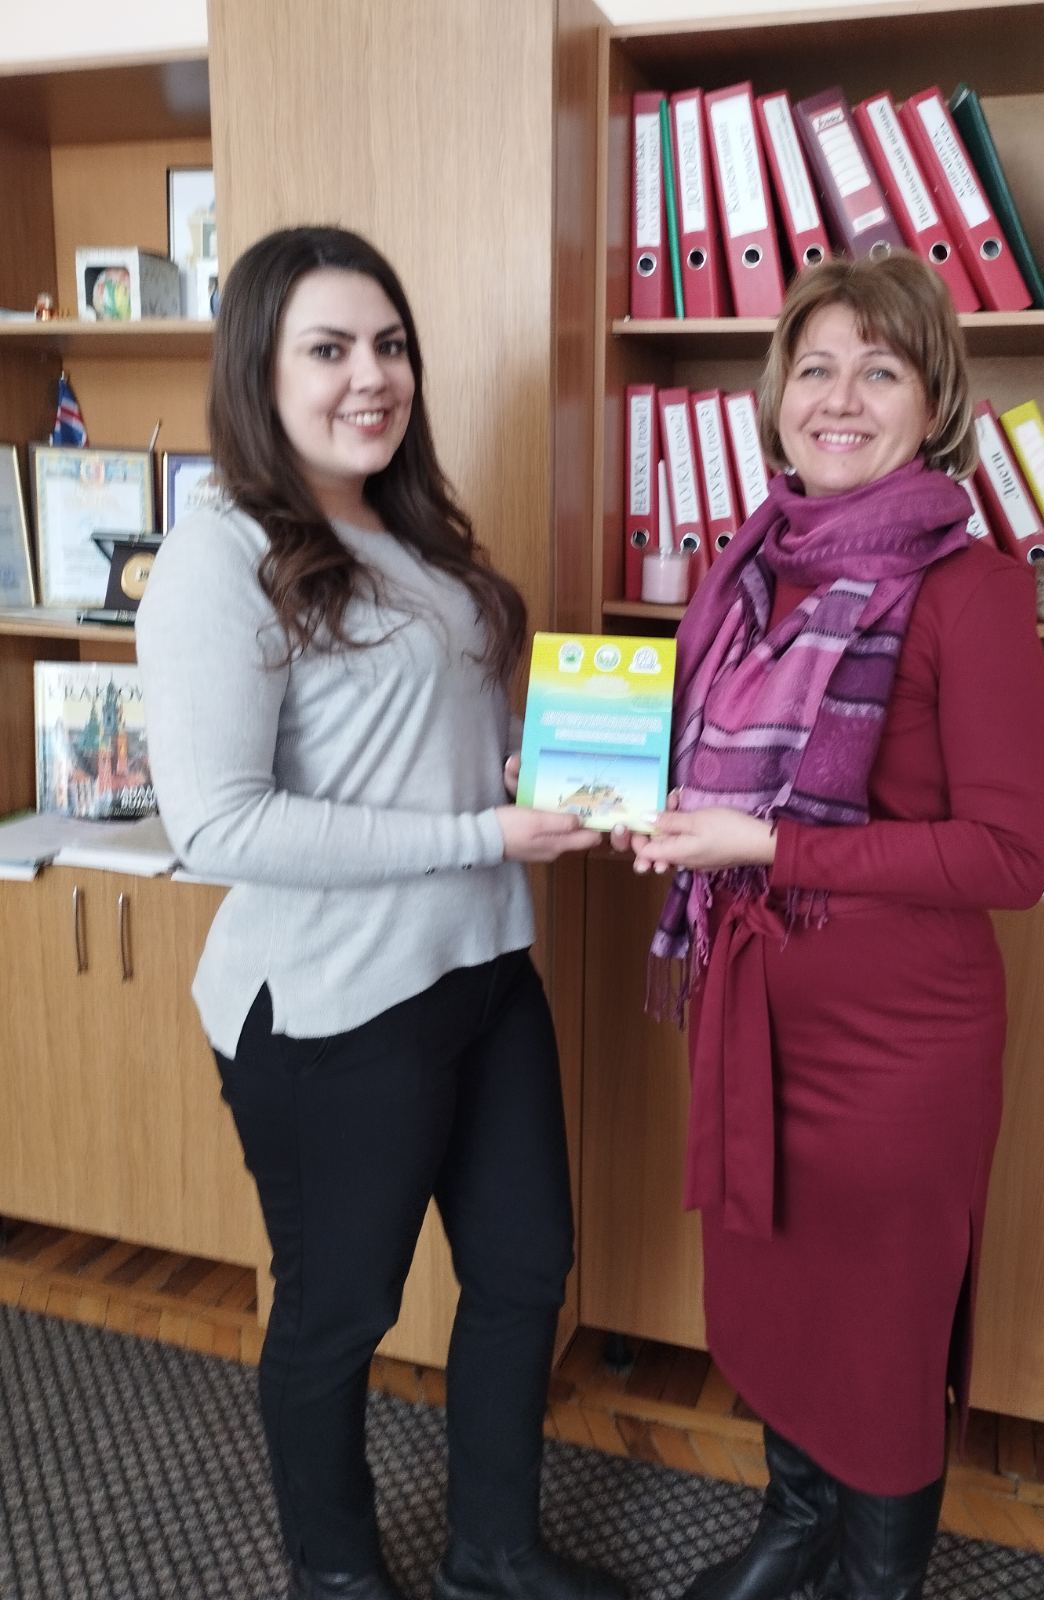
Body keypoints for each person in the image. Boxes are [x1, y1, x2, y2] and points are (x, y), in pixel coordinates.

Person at [136, 226, 622, 1600]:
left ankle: (492, 1554)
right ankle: (335, 1577)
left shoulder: (413, 533)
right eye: (330, 349)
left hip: (484, 967)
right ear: (261, 370)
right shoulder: (220, 554)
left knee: (524, 1271)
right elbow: (218, 825)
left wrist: (545, 773)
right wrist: (482, 834)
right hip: (334, 1008)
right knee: (339, 1314)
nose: (372, 376)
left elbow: (434, 745)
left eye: (390, 345)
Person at [616, 254, 1044, 1600]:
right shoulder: (744, 569)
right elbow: (699, 769)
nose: (841, 398)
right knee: (772, 1302)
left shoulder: (971, 588)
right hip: (750, 1017)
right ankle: (795, 1529)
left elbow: (1009, 856)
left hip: (897, 1056)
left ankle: (873, 1585)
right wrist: (624, 807)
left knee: (877, 1342)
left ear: (933, 403)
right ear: (777, 396)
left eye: (880, 369)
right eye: (814, 368)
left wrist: (767, 845)